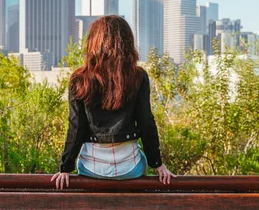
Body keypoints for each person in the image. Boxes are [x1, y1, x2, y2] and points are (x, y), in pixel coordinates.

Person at [51, 15, 176, 189]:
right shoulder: (138, 76)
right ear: (126, 43)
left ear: (93, 43)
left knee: (86, 159)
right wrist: (157, 164)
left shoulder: (79, 79)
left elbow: (76, 126)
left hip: (90, 168)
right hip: (129, 169)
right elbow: (146, 122)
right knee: (139, 158)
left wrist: (65, 167)